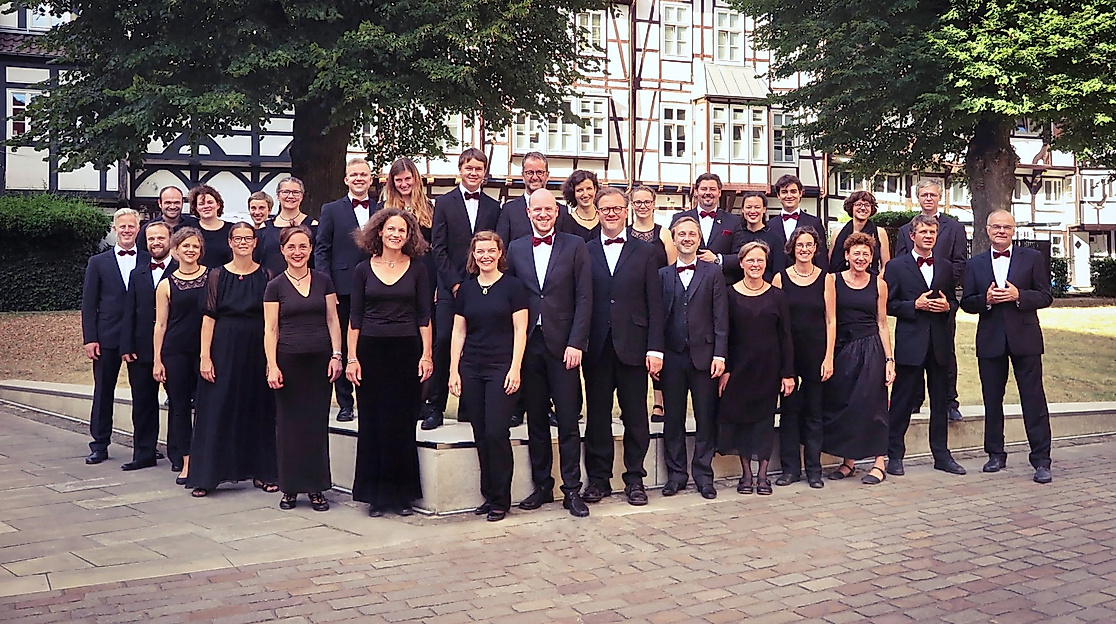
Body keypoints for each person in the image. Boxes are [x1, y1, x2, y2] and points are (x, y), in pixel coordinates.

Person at [506, 189, 592, 518]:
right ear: (528, 213)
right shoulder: (516, 248)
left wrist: (577, 342)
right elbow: (512, 298)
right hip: (529, 345)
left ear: (557, 213)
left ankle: (572, 490)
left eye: (548, 209)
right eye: (537, 210)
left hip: (564, 345)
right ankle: (543, 485)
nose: (543, 214)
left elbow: (584, 297)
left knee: (568, 420)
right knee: (537, 420)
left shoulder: (575, 245)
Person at [346, 208, 434, 516]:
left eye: (402, 231)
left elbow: (424, 316)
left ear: (409, 236)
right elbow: (355, 317)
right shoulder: (362, 269)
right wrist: (352, 357)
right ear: (379, 232)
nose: (396, 234)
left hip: (407, 351)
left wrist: (427, 355)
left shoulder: (419, 269)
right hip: (371, 352)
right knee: (373, 422)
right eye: (391, 229)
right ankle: (376, 496)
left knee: (402, 424)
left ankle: (402, 496)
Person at [582, 188, 664, 507]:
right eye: (605, 209)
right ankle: (598, 480)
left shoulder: (645, 252)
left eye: (617, 208)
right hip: (597, 346)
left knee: (635, 415)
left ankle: (634, 479)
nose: (612, 214)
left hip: (634, 344)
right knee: (598, 416)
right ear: (598, 212)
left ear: (626, 211)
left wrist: (655, 349)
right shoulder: (584, 249)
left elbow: (655, 303)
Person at [960, 210, 1053, 484]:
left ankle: (1041, 460)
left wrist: (1018, 295)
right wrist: (986, 300)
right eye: (996, 227)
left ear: (1014, 230)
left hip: (1025, 338)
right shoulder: (974, 264)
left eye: (1007, 227)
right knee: (992, 400)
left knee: (1033, 400)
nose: (1001, 231)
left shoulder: (1032, 258)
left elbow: (1046, 296)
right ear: (987, 230)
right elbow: (966, 302)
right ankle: (995, 454)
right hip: (990, 339)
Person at [186, 222, 278, 497]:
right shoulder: (217, 275)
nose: (242, 243)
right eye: (237, 238)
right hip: (223, 346)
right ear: (230, 242)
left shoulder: (266, 275)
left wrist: (272, 358)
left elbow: (272, 321)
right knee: (217, 407)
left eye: (247, 238)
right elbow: (208, 319)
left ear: (255, 242)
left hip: (257, 347)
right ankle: (206, 476)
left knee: (259, 407)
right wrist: (205, 356)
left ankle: (263, 472)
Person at [448, 231, 529, 522]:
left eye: (491, 250)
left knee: (496, 433)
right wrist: (453, 370)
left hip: (501, 368)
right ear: (473, 255)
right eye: (480, 251)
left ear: (500, 253)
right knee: (480, 433)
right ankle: (488, 494)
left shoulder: (513, 287)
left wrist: (515, 367)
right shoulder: (466, 290)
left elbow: (520, 330)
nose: (485, 256)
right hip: (471, 368)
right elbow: (459, 331)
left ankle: (501, 500)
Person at [264, 225, 343, 512]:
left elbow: (333, 320)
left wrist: (337, 355)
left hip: (320, 362)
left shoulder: (324, 280)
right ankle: (290, 488)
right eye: (291, 247)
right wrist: (272, 365)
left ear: (310, 249)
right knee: (289, 427)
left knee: (315, 426)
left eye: (303, 247)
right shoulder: (275, 286)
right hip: (288, 362)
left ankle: (316, 488)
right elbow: (271, 329)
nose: (297, 252)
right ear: (282, 251)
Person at [884, 214, 966, 477]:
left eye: (932, 232)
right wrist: (914, 305)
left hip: (939, 343)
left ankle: (942, 455)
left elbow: (953, 301)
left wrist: (947, 306)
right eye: (923, 232)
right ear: (912, 236)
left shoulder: (945, 267)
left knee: (940, 403)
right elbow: (888, 305)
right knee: (902, 402)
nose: (928, 236)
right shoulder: (896, 267)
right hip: (911, 343)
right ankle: (894, 455)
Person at [428, 148, 501, 429]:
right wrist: (455, 283)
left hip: (483, 287)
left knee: (476, 345)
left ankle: (469, 409)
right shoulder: (444, 203)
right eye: (469, 168)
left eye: (478, 169)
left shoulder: (493, 207)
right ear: (460, 169)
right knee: (444, 341)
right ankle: (435, 407)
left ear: (484, 173)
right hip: (451, 287)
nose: (473, 173)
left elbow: (495, 248)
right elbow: (438, 248)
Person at [717, 241, 796, 496]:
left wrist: (788, 373)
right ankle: (746, 475)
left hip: (769, 369)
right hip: (739, 369)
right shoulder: (729, 294)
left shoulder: (777, 295)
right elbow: (724, 334)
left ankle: (762, 475)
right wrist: (726, 368)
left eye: (760, 260)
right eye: (750, 260)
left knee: (764, 422)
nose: (755, 264)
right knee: (742, 421)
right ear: (741, 263)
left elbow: (785, 336)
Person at [658, 215, 728, 498]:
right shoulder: (663, 275)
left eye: (692, 234)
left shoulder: (713, 273)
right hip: (673, 356)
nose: (687, 239)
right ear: (674, 240)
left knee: (705, 417)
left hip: (705, 356)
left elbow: (721, 317)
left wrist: (720, 354)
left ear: (699, 240)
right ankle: (676, 475)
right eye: (682, 234)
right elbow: (658, 319)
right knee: (673, 419)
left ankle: (703, 474)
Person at [822, 233, 895, 486]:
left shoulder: (879, 284)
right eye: (856, 253)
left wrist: (889, 360)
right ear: (847, 256)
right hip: (843, 349)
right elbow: (830, 320)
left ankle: (879, 462)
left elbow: (882, 323)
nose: (861, 258)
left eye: (866, 254)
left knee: (874, 406)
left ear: (871, 257)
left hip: (871, 349)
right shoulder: (832, 280)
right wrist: (829, 355)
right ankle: (848, 462)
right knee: (846, 405)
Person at [81, 208, 151, 465]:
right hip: (107, 335)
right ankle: (99, 445)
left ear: (138, 229)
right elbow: (89, 303)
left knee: (143, 393)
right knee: (103, 392)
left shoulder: (149, 259)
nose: (127, 230)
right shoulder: (97, 262)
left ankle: (145, 447)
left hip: (140, 336)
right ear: (114, 229)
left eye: (131, 226)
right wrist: (90, 338)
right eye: (122, 226)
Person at [895, 180, 968, 422]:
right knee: (913, 352)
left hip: (942, 299)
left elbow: (960, 261)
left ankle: (949, 401)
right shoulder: (906, 230)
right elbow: (900, 265)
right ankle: (914, 401)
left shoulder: (954, 228)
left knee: (945, 352)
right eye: (924, 194)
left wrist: (940, 284)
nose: (929, 198)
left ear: (939, 197)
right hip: (914, 303)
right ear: (918, 198)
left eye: (933, 195)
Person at [316, 158, 377, 423]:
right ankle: (344, 403)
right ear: (346, 179)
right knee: (340, 343)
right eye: (354, 175)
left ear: (370, 179)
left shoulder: (382, 208)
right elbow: (322, 249)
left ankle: (369, 400)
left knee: (369, 343)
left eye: (363, 174)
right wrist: (326, 287)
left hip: (376, 286)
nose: (359, 178)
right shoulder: (331, 209)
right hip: (341, 287)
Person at [771, 226, 832, 489]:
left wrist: (829, 357)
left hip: (816, 353)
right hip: (788, 353)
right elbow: (775, 322)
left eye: (809, 245)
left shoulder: (826, 279)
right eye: (800, 245)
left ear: (815, 249)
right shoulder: (780, 278)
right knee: (789, 411)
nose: (804, 249)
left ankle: (814, 470)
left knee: (814, 412)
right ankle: (790, 469)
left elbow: (831, 320)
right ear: (792, 249)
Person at [381, 157, 438, 419]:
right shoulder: (384, 209)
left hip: (424, 277)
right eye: (398, 180)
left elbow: (436, 249)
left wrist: (437, 285)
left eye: (408, 179)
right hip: (394, 280)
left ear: (416, 179)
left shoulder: (430, 208)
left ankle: (422, 399)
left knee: (425, 337)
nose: (404, 184)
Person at [119, 221, 177, 471]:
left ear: (170, 239)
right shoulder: (138, 273)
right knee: (143, 403)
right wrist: (126, 345)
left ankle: (179, 455)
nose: (156, 243)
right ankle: (144, 453)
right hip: (141, 348)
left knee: (178, 403)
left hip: (174, 347)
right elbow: (129, 311)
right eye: (151, 239)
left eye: (160, 238)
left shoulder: (181, 270)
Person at [153, 227, 208, 485]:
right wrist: (157, 359)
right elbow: (160, 324)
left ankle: (207, 459)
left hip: (207, 351)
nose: (190, 250)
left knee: (208, 407)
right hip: (175, 352)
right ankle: (186, 461)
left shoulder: (212, 277)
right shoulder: (166, 285)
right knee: (180, 407)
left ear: (201, 250)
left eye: (195, 246)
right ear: (175, 250)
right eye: (185, 245)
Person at [629, 185, 675, 422]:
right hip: (633, 300)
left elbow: (673, 268)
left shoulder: (664, 233)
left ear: (654, 204)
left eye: (647, 202)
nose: (643, 206)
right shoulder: (626, 233)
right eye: (638, 202)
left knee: (659, 349)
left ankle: (659, 402)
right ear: (632, 205)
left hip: (660, 298)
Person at [669, 173, 743, 283]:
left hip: (722, 284)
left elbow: (741, 255)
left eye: (712, 189)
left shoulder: (733, 221)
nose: (708, 193)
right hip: (687, 282)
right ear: (696, 192)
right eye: (704, 189)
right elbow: (671, 250)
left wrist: (718, 259)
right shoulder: (679, 218)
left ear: (719, 192)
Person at [497, 152, 573, 245]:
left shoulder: (562, 211)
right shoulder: (509, 210)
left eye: (539, 172)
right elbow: (502, 247)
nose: (535, 177)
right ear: (523, 176)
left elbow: (567, 246)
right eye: (530, 173)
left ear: (547, 175)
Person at [767, 174, 829, 272]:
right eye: (784, 192)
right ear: (778, 195)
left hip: (807, 277)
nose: (789, 196)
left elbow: (821, 258)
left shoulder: (815, 223)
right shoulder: (769, 225)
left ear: (800, 193)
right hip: (777, 278)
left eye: (793, 191)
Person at [257, 177, 318, 274]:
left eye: (296, 192)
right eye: (285, 192)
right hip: (270, 281)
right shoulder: (265, 228)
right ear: (278, 196)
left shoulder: (313, 226)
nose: (290, 196)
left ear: (302, 196)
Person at [829, 190, 890, 274]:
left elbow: (886, 266)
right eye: (859, 204)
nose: (863, 208)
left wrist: (877, 280)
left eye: (867, 205)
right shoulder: (837, 233)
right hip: (840, 279)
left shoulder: (880, 233)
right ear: (851, 207)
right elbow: (830, 263)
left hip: (871, 280)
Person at [732, 191, 781, 282]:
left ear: (764, 209)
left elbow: (778, 270)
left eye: (757, 207)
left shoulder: (775, 237)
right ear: (743, 209)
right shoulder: (735, 235)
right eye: (748, 207)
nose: (753, 211)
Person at [138, 186, 198, 252]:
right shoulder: (147, 228)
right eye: (168, 203)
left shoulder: (194, 225)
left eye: (176, 202)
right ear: (160, 203)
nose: (172, 207)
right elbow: (142, 254)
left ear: (182, 202)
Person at [190, 185, 233, 268]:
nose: (206, 206)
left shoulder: (232, 230)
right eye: (201, 204)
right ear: (196, 208)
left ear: (218, 205)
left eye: (210, 202)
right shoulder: (189, 230)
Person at [562, 169, 601, 242]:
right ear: (573, 192)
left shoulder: (604, 220)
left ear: (595, 189)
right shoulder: (565, 223)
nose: (585, 194)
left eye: (589, 189)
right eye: (580, 190)